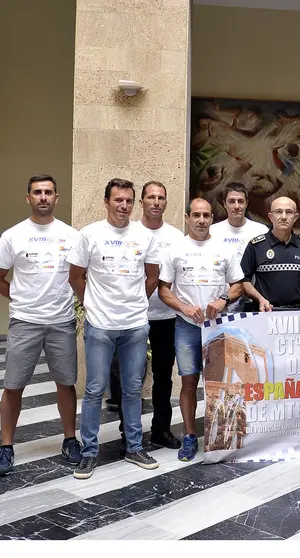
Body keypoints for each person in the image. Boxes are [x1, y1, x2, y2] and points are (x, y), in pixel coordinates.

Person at [67, 178, 161, 479]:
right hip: (100, 326)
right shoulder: (89, 234)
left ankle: (134, 447)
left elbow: (152, 276)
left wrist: (136, 302)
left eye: (129, 201)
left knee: (132, 390)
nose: (124, 206)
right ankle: (89, 452)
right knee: (94, 390)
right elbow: (75, 276)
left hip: (135, 326)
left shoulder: (144, 236)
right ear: (106, 201)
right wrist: (92, 305)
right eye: (118, 200)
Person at [0, 175, 82, 475]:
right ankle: (5, 446)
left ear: (57, 197)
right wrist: (20, 297)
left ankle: (70, 439)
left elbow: (80, 276)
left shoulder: (72, 236)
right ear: (28, 198)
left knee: (66, 383)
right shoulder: (13, 236)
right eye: (37, 192)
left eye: (48, 192)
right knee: (13, 385)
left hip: (61, 321)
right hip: (25, 321)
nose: (43, 197)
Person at [159, 198, 244, 462]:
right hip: (186, 327)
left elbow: (238, 285)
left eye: (206, 215)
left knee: (218, 384)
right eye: (196, 215)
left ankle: (220, 437)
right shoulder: (174, 249)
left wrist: (223, 300)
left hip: (217, 327)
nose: (201, 220)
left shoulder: (224, 248)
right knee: (188, 383)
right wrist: (184, 308)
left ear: (211, 218)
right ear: (187, 218)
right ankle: (189, 436)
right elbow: (163, 290)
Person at [106, 181, 183, 452]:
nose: (156, 202)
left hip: (166, 317)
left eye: (161, 198)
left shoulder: (176, 236)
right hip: (131, 318)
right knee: (129, 377)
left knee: (163, 376)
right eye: (151, 197)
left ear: (166, 203)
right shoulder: (130, 232)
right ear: (141, 202)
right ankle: (128, 431)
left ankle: (161, 429)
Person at [240, 196, 300, 319]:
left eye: (289, 212)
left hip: (298, 313)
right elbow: (244, 280)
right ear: (270, 216)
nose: (283, 217)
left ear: (295, 217)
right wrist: (260, 299)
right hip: (265, 312)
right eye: (278, 212)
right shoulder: (256, 245)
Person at [209, 182, 269, 312]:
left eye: (240, 201)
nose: (236, 206)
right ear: (224, 204)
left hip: (253, 300)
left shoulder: (261, 231)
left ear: (247, 203)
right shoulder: (213, 231)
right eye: (231, 201)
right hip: (221, 301)